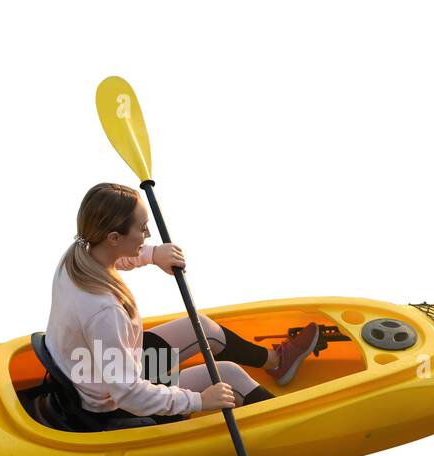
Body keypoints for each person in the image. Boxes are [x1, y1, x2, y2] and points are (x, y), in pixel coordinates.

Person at [44, 182, 319, 428]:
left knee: (203, 327)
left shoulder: (78, 255)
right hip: (114, 402)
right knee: (228, 374)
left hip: (97, 368)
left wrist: (153, 255)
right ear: (114, 237)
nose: (148, 233)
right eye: (141, 229)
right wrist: (198, 401)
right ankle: (293, 428)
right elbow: (128, 394)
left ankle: (275, 362)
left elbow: (115, 256)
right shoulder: (105, 311)